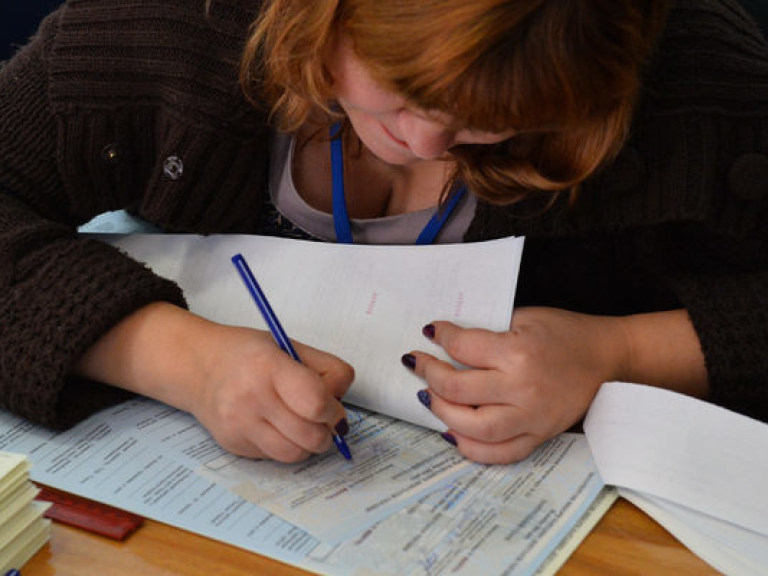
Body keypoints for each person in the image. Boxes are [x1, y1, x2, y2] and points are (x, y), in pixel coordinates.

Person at [0, 0, 767, 465]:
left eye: (494, 123)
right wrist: (174, 357)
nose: (428, 145)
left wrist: (618, 354)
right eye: (400, 91)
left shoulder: (697, 79)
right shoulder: (169, 29)